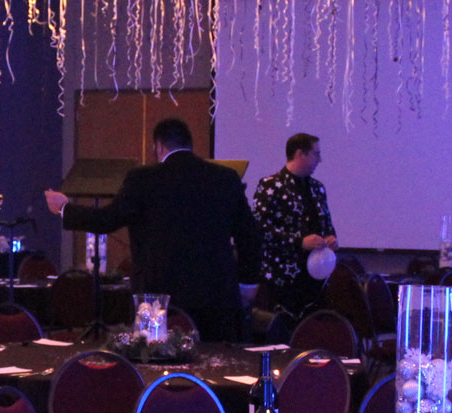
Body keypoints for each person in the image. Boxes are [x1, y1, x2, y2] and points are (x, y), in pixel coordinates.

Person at [44, 119, 261, 342]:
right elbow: (249, 235)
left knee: (158, 363)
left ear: (159, 146)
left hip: (160, 296)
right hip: (217, 295)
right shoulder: (225, 178)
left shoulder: (143, 179)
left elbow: (106, 220)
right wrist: (248, 282)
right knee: (218, 366)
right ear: (190, 144)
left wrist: (65, 208)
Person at [252, 133, 337, 316]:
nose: (319, 160)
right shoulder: (271, 186)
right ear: (300, 154)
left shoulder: (317, 188)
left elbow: (327, 224)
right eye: (316, 154)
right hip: (282, 281)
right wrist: (299, 242)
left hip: (315, 280)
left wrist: (331, 238)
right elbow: (260, 229)